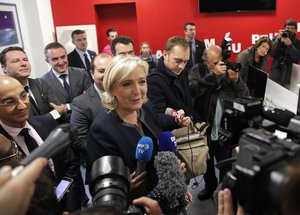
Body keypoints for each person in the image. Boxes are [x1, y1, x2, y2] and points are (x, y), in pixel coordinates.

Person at [0, 75, 85, 213]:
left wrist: (70, 207)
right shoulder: (2, 146)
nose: (22, 105)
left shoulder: (46, 123)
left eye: (23, 95)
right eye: (10, 101)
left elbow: (71, 166)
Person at [87, 55, 161, 200]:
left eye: (142, 82)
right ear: (112, 88)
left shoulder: (147, 108)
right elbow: (102, 192)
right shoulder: (101, 131)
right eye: (127, 84)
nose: (137, 91)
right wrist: (125, 191)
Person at [188, 45, 249, 200]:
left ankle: (223, 192)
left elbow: (244, 95)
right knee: (207, 164)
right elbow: (193, 91)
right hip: (205, 127)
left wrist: (236, 81)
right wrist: (213, 75)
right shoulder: (198, 70)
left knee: (225, 163)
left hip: (225, 128)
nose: (220, 65)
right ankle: (210, 188)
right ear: (206, 62)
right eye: (215, 62)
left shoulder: (228, 70)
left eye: (221, 60)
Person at [0, 46, 67, 122]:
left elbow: (61, 110)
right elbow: (24, 122)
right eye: (16, 61)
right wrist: (54, 114)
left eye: (25, 60)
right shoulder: (4, 93)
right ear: (5, 68)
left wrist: (57, 113)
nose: (23, 64)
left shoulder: (40, 83)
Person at [147, 36, 195, 131]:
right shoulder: (154, 81)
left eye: (185, 62)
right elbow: (156, 116)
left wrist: (196, 119)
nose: (181, 66)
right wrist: (177, 121)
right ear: (165, 55)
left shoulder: (183, 73)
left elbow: (187, 103)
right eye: (178, 61)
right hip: (170, 137)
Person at [71, 53, 112, 162]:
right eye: (102, 71)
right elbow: (79, 140)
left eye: (110, 70)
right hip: (100, 162)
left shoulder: (124, 94)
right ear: (92, 73)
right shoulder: (81, 103)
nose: (107, 75)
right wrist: (110, 151)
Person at [41, 42, 91, 113]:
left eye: (63, 57)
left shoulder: (81, 73)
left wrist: (67, 107)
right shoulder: (42, 82)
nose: (61, 62)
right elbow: (51, 108)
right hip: (61, 122)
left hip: (86, 117)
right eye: (55, 59)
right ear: (47, 61)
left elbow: (91, 97)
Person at [269, 18, 300, 88]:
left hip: (289, 77)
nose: (289, 30)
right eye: (287, 28)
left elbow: (297, 57)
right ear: (284, 28)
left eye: (292, 28)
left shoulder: (298, 42)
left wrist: (290, 46)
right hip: (275, 74)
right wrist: (278, 40)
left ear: (295, 30)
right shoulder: (277, 38)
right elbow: (272, 53)